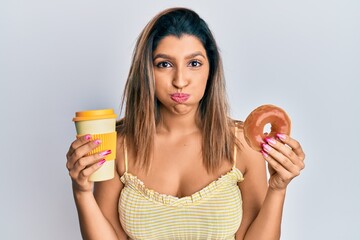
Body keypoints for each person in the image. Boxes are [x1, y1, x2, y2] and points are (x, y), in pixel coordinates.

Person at [66, 7, 305, 240]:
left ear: (211, 70)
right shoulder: (118, 146)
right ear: (147, 71)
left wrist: (278, 188)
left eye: (194, 63)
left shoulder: (241, 144)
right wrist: (81, 191)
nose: (180, 81)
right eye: (164, 64)